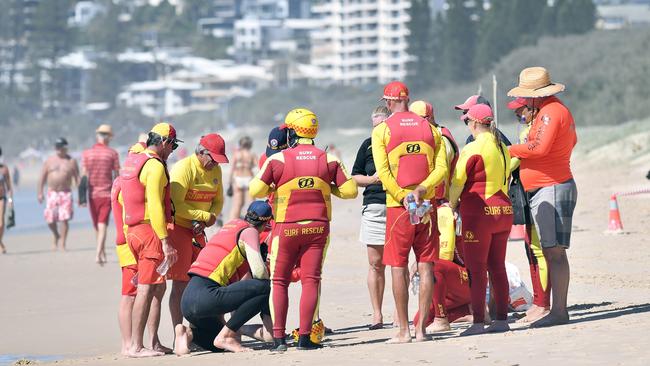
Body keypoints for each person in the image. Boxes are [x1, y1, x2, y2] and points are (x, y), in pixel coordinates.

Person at [250, 108, 358, 351]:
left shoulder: (277, 160)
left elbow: (255, 190)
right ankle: (305, 338)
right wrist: (326, 187)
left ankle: (278, 339)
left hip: (286, 229)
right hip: (318, 228)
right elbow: (350, 192)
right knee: (311, 280)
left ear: (292, 133)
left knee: (279, 282)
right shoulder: (329, 159)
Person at [371, 81, 448, 343]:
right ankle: (422, 330)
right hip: (427, 206)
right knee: (426, 266)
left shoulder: (382, 130)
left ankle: (404, 330)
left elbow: (384, 173)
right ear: (408, 99)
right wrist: (422, 189)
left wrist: (404, 194)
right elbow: (441, 170)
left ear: (389, 102)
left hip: (399, 207)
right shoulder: (429, 128)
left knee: (398, 266)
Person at [507, 67, 578, 328]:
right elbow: (571, 141)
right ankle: (557, 309)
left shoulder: (550, 112)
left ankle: (559, 311)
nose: (524, 101)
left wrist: (510, 149)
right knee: (551, 251)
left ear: (535, 95)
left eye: (526, 96)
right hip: (550, 185)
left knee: (554, 252)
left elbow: (539, 147)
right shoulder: (553, 111)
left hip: (553, 186)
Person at [175, 201, 275, 354]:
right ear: (266, 223)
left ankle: (187, 333)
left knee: (217, 345)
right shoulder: (250, 231)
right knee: (264, 286)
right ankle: (227, 335)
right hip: (206, 296)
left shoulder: (232, 225)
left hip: (188, 301)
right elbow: (259, 273)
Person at [449, 104, 513, 336]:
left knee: (476, 269)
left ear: (475, 123)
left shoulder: (473, 148)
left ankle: (477, 322)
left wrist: (451, 203)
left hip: (479, 212)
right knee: (498, 267)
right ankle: (501, 319)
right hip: (504, 210)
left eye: (468, 122)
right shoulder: (503, 147)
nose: (468, 126)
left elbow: (457, 182)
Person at [120, 122, 181, 357]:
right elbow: (155, 206)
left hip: (133, 231)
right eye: (173, 144)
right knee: (145, 289)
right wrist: (165, 240)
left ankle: (153, 342)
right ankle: (136, 346)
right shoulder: (154, 167)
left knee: (158, 286)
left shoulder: (134, 159)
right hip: (149, 233)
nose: (173, 149)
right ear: (164, 142)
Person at [166, 134, 228, 333]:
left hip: (199, 232)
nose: (215, 164)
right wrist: (203, 216)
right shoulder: (184, 168)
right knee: (181, 283)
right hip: (179, 230)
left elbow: (218, 201)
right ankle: (180, 332)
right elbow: (175, 204)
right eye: (213, 159)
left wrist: (209, 218)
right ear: (202, 153)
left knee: (207, 279)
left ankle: (206, 330)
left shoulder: (216, 169)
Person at [507, 97, 551, 323]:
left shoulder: (530, 132)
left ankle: (543, 303)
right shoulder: (531, 129)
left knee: (537, 249)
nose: (518, 116)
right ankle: (538, 301)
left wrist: (500, 160)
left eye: (520, 111)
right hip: (531, 191)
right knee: (530, 247)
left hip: (534, 192)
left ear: (531, 109)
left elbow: (515, 161)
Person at [409, 100, 460, 271]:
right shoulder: (424, 136)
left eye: (419, 120)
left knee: (439, 257)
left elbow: (441, 172)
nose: (415, 124)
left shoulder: (442, 138)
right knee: (423, 254)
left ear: (430, 118)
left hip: (441, 202)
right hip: (424, 201)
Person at [352, 105, 389, 330]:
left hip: (398, 204)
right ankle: (377, 314)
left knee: (398, 263)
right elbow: (355, 177)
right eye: (374, 127)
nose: (376, 131)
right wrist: (375, 179)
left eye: (381, 126)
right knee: (376, 263)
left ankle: (400, 312)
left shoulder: (397, 142)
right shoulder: (366, 145)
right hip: (374, 204)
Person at [81, 124, 120, 265]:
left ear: (97, 136)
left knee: (97, 225)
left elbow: (83, 176)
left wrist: (81, 197)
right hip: (106, 193)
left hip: (91, 194)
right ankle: (100, 252)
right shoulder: (112, 153)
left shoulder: (87, 153)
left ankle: (99, 251)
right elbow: (117, 176)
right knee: (102, 224)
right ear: (108, 137)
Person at [38, 138, 80, 251]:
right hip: (52, 193)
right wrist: (40, 192)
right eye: (57, 147)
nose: (59, 150)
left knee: (64, 219)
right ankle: (56, 235)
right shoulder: (49, 161)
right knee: (50, 219)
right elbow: (42, 177)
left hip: (66, 193)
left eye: (61, 147)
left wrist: (80, 196)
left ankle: (63, 243)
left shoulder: (71, 161)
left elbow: (77, 178)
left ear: (65, 148)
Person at [228, 136, 257, 220]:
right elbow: (258, 167)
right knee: (251, 202)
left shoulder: (237, 154)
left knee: (238, 204)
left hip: (238, 178)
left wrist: (230, 183)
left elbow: (232, 169)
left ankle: (233, 222)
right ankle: (253, 220)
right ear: (250, 145)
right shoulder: (252, 155)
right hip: (249, 178)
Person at [0, 146, 14, 254]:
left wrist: (10, 201)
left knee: (1, 223)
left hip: (1, 198)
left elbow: (9, 187)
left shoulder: (4, 169)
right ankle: (1, 244)